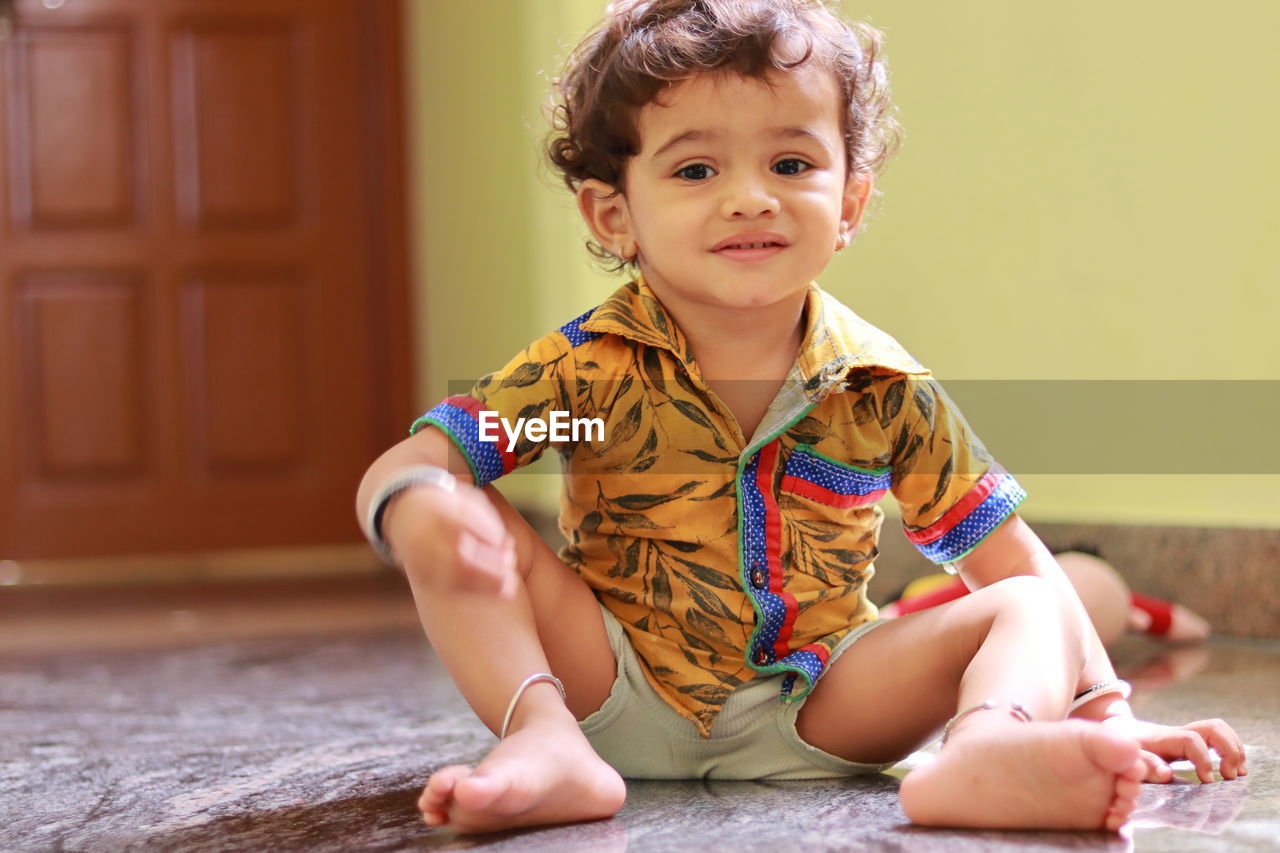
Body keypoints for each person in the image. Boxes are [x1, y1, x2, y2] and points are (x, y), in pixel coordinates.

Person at [356, 0, 1246, 835]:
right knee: (452, 499)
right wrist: (417, 509)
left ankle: (989, 748)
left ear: (850, 201)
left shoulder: (886, 388)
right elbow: (409, 461)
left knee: (1031, 598)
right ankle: (539, 736)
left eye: (791, 164)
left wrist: (1109, 714)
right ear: (614, 212)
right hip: (608, 689)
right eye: (697, 169)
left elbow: (1008, 559)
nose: (750, 197)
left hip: (825, 704)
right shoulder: (578, 377)